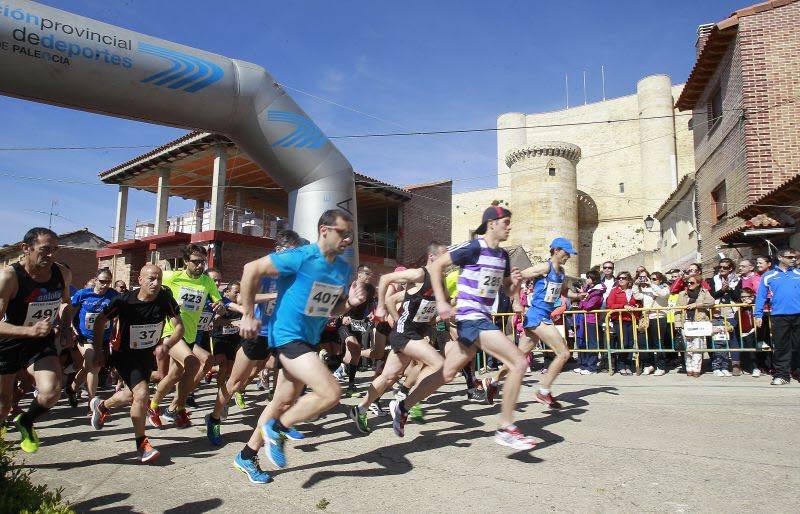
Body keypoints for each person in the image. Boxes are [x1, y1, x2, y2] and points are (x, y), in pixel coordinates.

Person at [234, 209, 367, 484]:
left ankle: (247, 455)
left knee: (282, 400)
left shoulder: (342, 269)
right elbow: (251, 270)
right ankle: (279, 429)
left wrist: (350, 303)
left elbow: (332, 309)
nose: (347, 240)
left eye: (350, 235)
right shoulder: (302, 256)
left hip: (309, 339)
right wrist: (247, 314)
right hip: (287, 336)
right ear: (324, 231)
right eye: (343, 233)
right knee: (331, 392)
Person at [388, 205, 534, 450]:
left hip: (482, 316)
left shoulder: (504, 257)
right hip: (471, 317)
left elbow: (507, 290)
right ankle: (506, 427)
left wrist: (516, 286)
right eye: (505, 222)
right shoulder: (474, 247)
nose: (509, 226)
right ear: (491, 224)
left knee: (446, 373)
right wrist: (443, 302)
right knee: (518, 362)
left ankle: (404, 406)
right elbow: (435, 267)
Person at [205, 230, 304, 447]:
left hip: (283, 334)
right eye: (292, 252)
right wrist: (275, 296)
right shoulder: (263, 270)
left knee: (285, 385)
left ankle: (281, 422)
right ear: (278, 251)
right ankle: (213, 418)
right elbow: (242, 297)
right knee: (235, 382)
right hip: (259, 333)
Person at [349, 241, 448, 434]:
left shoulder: (440, 281)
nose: (448, 260)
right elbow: (386, 278)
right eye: (444, 256)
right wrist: (383, 310)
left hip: (417, 331)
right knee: (439, 365)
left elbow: (421, 304)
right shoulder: (419, 274)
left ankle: (360, 409)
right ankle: (404, 403)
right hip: (405, 332)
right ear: (432, 257)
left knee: (388, 377)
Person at [88, 264, 183, 463]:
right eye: (151, 278)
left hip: (145, 355)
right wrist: (98, 349)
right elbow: (99, 321)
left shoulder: (165, 298)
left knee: (132, 394)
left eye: (159, 279)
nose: (156, 283)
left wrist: (167, 344)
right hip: (124, 355)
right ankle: (142, 445)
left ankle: (102, 406)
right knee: (141, 394)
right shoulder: (123, 301)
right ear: (139, 280)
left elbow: (179, 327)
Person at [485, 237, 583, 408]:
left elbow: (566, 292)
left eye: (570, 254)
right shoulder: (544, 267)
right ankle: (543, 391)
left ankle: (492, 382)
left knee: (518, 358)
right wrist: (516, 302)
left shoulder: (562, 273)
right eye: (566, 253)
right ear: (556, 250)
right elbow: (517, 277)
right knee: (564, 354)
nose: (569, 256)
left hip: (541, 317)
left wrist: (579, 296)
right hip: (537, 316)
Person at [0, 227, 72, 452]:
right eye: (45, 250)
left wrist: (66, 325)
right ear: (26, 249)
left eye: (55, 250)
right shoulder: (9, 276)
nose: (51, 255)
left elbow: (66, 302)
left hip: (41, 341)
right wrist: (28, 331)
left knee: (51, 392)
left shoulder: (62, 273)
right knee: (3, 403)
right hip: (9, 342)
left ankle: (26, 421)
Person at [148, 244, 223, 428]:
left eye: (203, 262)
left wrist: (219, 305)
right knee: (193, 363)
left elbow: (218, 300)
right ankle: (179, 408)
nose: (200, 266)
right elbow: (149, 280)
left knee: (174, 375)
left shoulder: (207, 281)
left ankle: (154, 405)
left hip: (190, 334)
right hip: (170, 332)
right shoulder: (172, 277)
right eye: (196, 262)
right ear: (186, 262)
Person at [68, 268, 119, 406]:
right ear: (95, 280)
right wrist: (71, 329)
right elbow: (68, 311)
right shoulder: (83, 294)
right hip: (84, 337)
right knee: (94, 365)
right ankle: (92, 404)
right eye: (102, 281)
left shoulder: (114, 295)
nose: (105, 285)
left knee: (88, 367)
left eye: (108, 282)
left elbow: (119, 315)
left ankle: (72, 388)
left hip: (103, 338)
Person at [755, 248, 800, 385]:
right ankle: (782, 375)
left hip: (798, 314)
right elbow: (761, 296)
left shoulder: (798, 273)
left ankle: (797, 371)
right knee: (781, 346)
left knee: (798, 345)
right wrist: (758, 314)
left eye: (795, 257)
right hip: (779, 316)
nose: (793, 259)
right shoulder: (769, 275)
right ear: (780, 257)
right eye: (790, 257)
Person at [335, 264, 376, 397]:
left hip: (358, 324)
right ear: (359, 274)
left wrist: (370, 313)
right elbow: (338, 305)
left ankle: (350, 384)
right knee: (354, 345)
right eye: (368, 274)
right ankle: (339, 368)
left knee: (356, 353)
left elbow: (370, 305)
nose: (370, 277)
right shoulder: (347, 287)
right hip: (344, 322)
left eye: (371, 274)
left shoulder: (370, 289)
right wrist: (343, 315)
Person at [673, 277, 715, 377]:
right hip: (685, 322)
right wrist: (677, 324)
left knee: (698, 347)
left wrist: (697, 304)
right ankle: (689, 368)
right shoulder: (682, 294)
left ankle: (696, 369)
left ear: (698, 283)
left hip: (698, 322)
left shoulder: (704, 292)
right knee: (688, 348)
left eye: (692, 282)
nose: (689, 284)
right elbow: (677, 309)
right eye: (687, 283)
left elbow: (712, 302)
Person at [709, 258, 742, 376]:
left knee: (732, 337)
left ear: (731, 268)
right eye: (720, 267)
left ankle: (735, 365)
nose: (722, 269)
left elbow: (738, 296)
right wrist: (722, 290)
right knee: (718, 338)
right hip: (717, 311)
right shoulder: (714, 279)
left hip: (731, 311)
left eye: (725, 267)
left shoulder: (737, 279)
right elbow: (712, 295)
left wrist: (729, 289)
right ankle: (719, 365)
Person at [633, 270, 670, 375]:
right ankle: (649, 365)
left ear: (660, 280)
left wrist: (652, 284)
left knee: (658, 342)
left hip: (659, 317)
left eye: (655, 279)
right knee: (646, 342)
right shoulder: (647, 289)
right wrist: (636, 285)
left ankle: (661, 366)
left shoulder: (665, 288)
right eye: (651, 279)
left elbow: (662, 294)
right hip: (647, 318)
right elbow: (637, 296)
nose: (652, 281)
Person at [606, 272, 641, 375]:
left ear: (629, 280)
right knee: (623, 342)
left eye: (624, 278)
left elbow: (638, 302)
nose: (621, 280)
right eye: (619, 278)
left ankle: (628, 365)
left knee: (631, 343)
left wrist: (636, 307)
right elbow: (610, 304)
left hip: (631, 319)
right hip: (619, 319)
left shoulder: (633, 291)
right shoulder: (614, 291)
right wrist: (623, 306)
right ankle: (621, 365)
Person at [576, 269, 605, 374]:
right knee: (582, 341)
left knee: (592, 342)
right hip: (583, 318)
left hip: (591, 319)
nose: (586, 279)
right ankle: (584, 364)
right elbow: (581, 305)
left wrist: (583, 300)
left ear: (593, 279)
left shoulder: (597, 292)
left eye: (588, 277)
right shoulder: (588, 289)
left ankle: (592, 366)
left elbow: (589, 306)